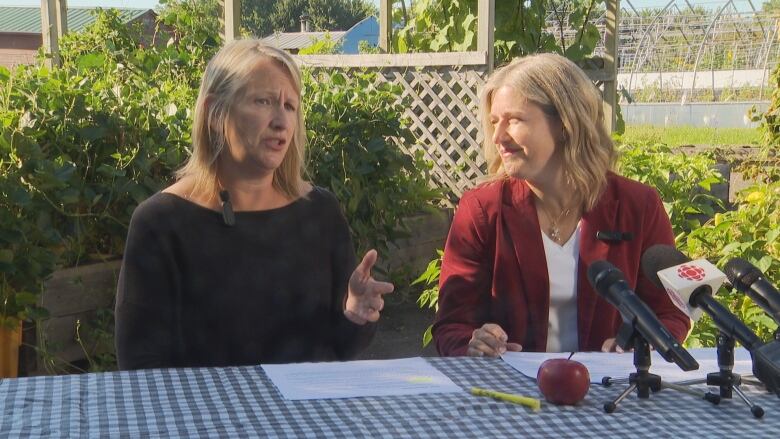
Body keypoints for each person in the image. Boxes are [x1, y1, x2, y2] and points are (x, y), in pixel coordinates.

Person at [115, 40, 393, 370]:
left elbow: (342, 347)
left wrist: (356, 313)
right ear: (215, 113)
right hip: (209, 418)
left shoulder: (321, 211)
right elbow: (140, 363)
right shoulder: (160, 222)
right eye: (263, 101)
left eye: (290, 106)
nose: (281, 121)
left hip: (310, 417)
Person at [432, 53, 690, 357]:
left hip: (610, 395)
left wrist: (639, 344)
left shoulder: (638, 205)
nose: (499, 136)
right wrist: (474, 343)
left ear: (565, 124)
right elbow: (452, 326)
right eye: (494, 122)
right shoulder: (482, 210)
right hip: (512, 395)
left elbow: (671, 312)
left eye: (514, 120)